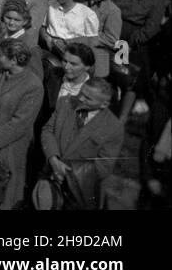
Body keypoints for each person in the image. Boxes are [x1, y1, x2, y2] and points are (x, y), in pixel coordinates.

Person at [0, 38, 43, 210]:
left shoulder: (33, 86)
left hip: (10, 146)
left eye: (2, 56)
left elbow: (21, 122)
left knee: (6, 189)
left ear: (14, 60)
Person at [39, 78, 124, 209]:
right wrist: (53, 160)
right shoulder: (65, 103)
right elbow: (48, 130)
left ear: (104, 104)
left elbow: (104, 167)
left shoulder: (114, 127)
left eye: (88, 98)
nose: (81, 99)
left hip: (78, 193)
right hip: (49, 179)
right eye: (81, 93)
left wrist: (67, 174)